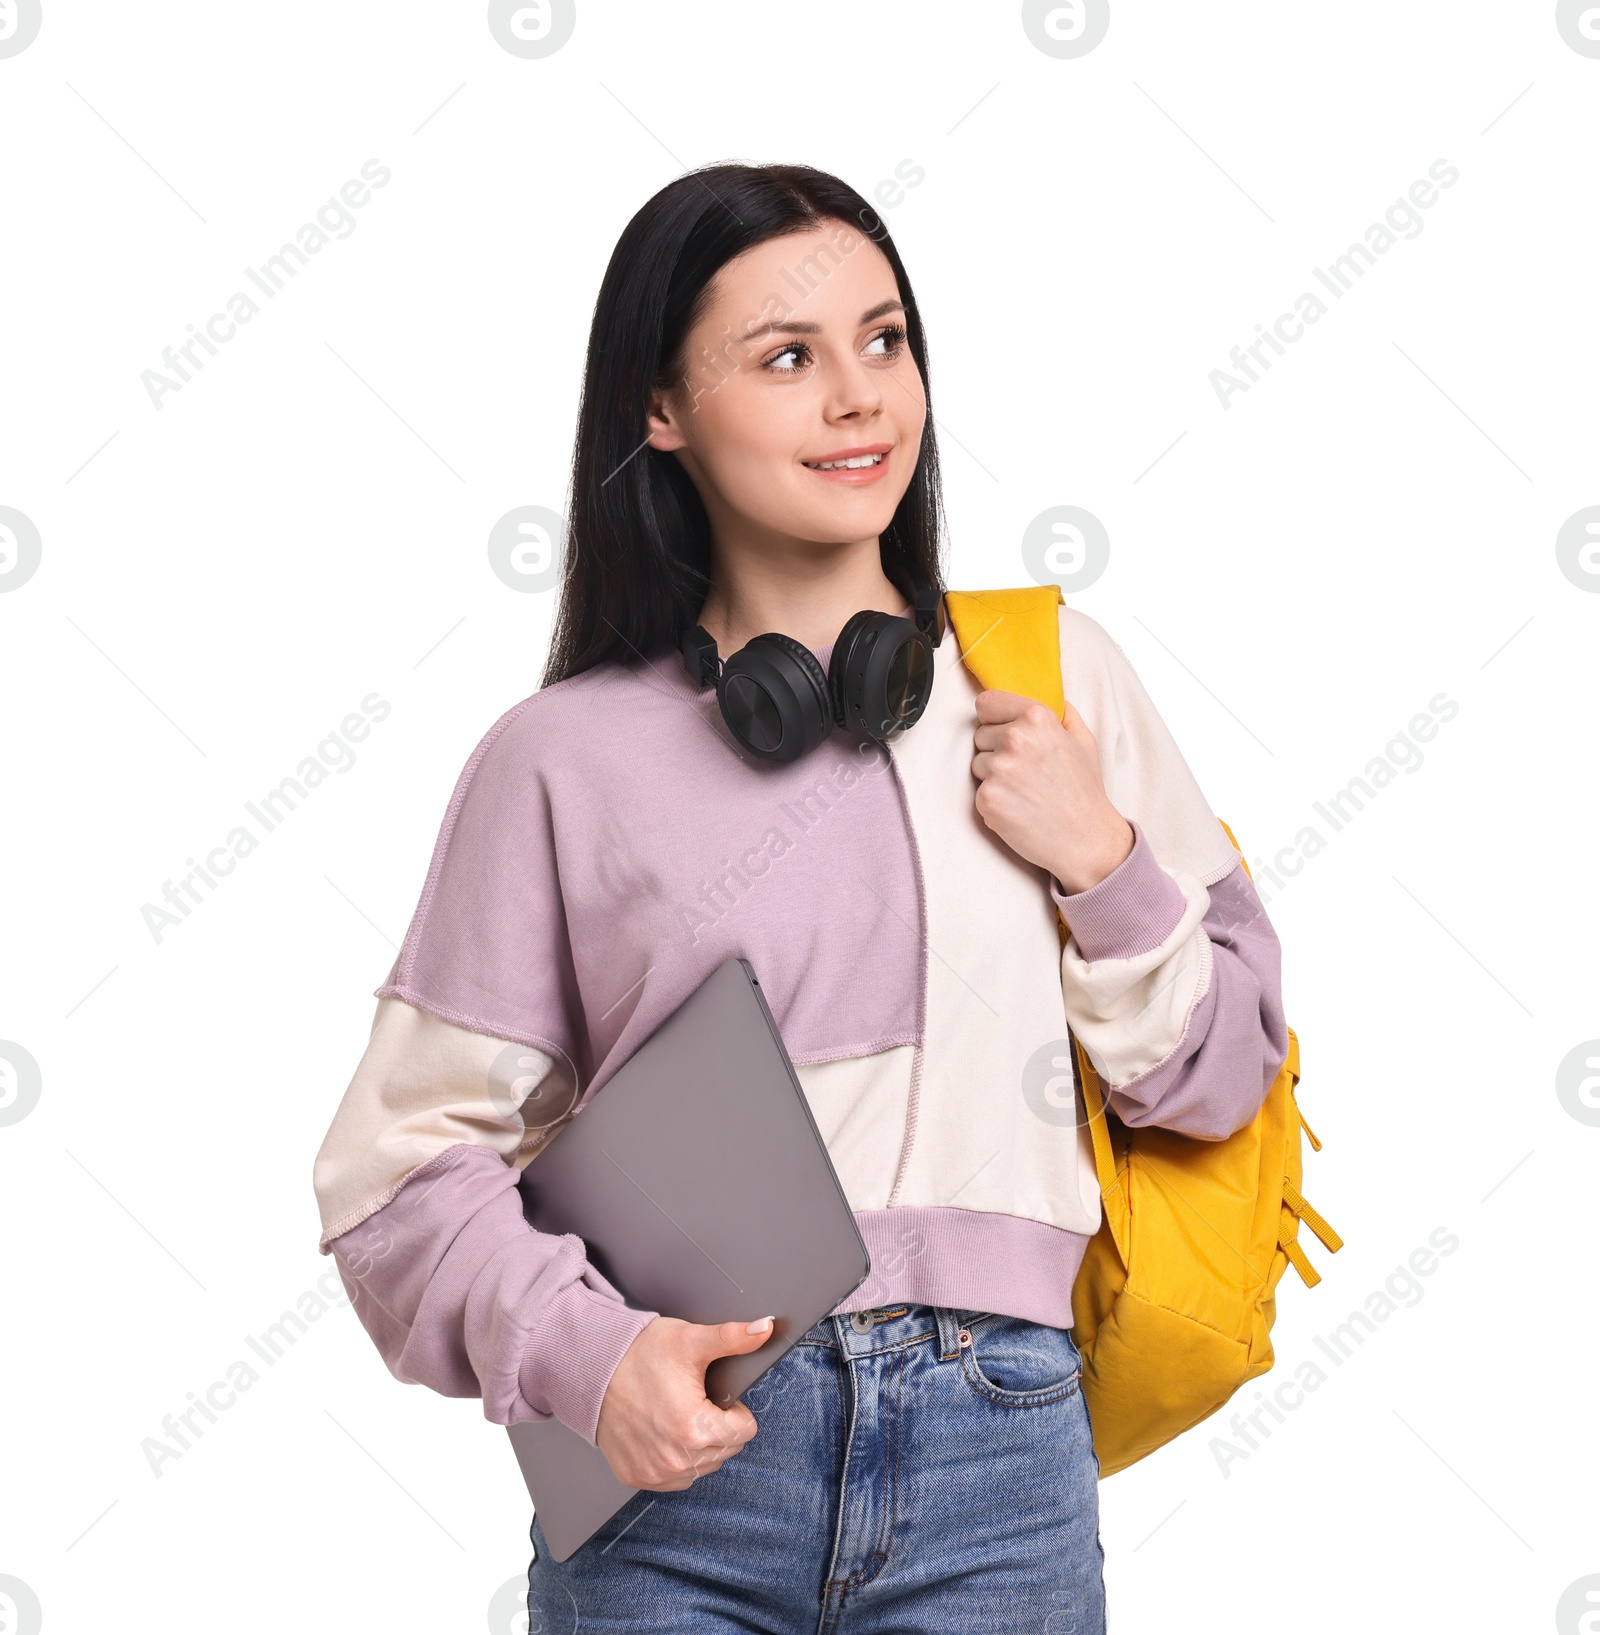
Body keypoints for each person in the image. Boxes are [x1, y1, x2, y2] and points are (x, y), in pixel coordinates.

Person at [312, 161, 1286, 1633]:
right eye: (788, 357)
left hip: (1001, 1465)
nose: (861, 399)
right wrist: (589, 1355)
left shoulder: (1055, 682)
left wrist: (1107, 865)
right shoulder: (560, 760)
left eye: (884, 341)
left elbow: (1217, 1087)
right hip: (682, 1482)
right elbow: (393, 1178)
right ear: (659, 409)